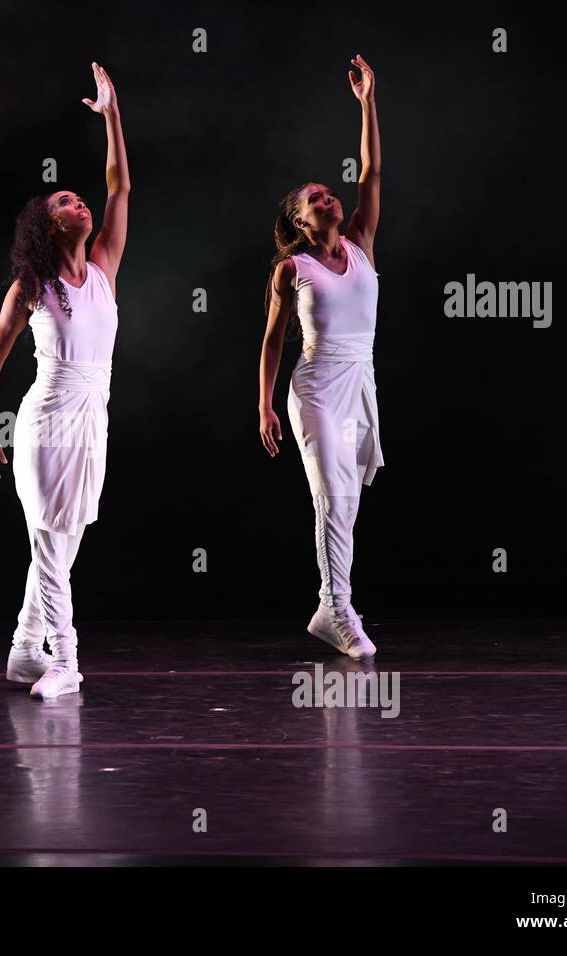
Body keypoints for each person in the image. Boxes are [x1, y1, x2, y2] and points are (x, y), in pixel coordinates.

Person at [0, 63, 130, 698]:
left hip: (95, 418)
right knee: (47, 535)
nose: (79, 199)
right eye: (64, 200)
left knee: (65, 541)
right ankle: (64, 659)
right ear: (48, 225)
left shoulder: (104, 268)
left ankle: (20, 650)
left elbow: (119, 186)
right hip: (46, 420)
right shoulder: (30, 288)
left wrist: (112, 116)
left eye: (77, 194)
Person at [260, 54, 383, 659]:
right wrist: (264, 406)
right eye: (317, 197)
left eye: (331, 193)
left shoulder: (361, 244)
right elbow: (272, 341)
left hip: (361, 383)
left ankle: (330, 606)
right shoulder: (294, 269)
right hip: (314, 389)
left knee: (351, 500)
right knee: (331, 496)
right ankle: (339, 608)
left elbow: (373, 174)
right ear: (300, 221)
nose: (330, 197)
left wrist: (366, 104)